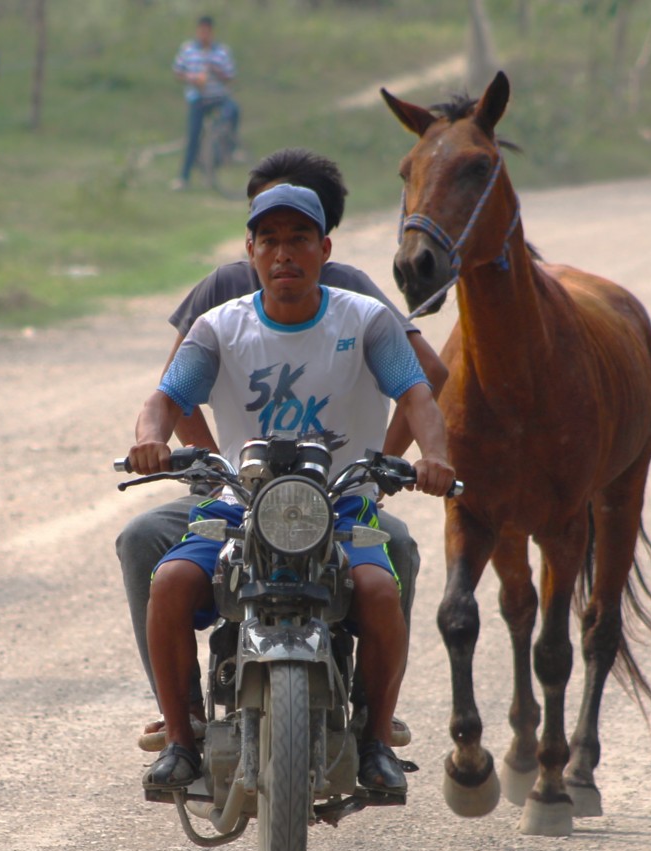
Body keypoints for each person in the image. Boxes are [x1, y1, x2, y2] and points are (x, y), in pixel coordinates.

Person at [116, 148, 448, 754]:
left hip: (342, 505)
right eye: (267, 239)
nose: (283, 252)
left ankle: (376, 740)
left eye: (299, 238)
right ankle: (180, 737)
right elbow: (166, 397)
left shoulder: (368, 319)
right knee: (168, 581)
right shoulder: (219, 323)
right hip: (239, 505)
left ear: (326, 248)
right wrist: (150, 439)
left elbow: (421, 393)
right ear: (250, 251)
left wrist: (430, 455)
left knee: (379, 588)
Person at [171, 15, 239, 191]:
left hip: (218, 98)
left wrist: (215, 70)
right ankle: (183, 177)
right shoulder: (188, 50)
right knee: (193, 136)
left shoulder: (221, 52)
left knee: (233, 111)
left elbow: (230, 76)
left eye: (207, 31)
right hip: (198, 99)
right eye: (201, 31)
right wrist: (192, 78)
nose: (204, 35)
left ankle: (227, 149)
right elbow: (178, 72)